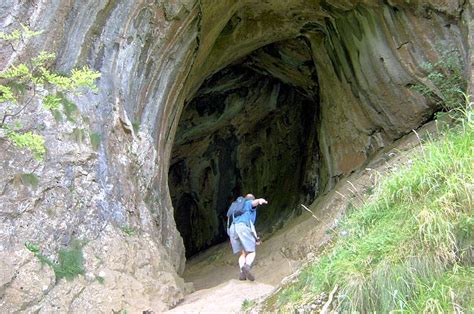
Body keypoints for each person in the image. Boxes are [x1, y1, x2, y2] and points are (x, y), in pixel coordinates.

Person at [228, 193, 268, 281]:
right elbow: (253, 204)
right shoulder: (248, 203)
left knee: (243, 253)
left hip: (232, 230)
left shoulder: (236, 208)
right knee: (252, 252)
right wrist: (259, 200)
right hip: (242, 227)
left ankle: (242, 272)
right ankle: (247, 266)